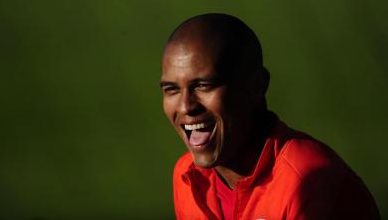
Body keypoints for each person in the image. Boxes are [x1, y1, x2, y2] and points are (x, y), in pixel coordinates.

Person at [159, 13, 380, 220]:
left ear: (256, 86)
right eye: (171, 89)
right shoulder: (187, 177)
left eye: (204, 85)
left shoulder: (308, 183)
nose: (186, 106)